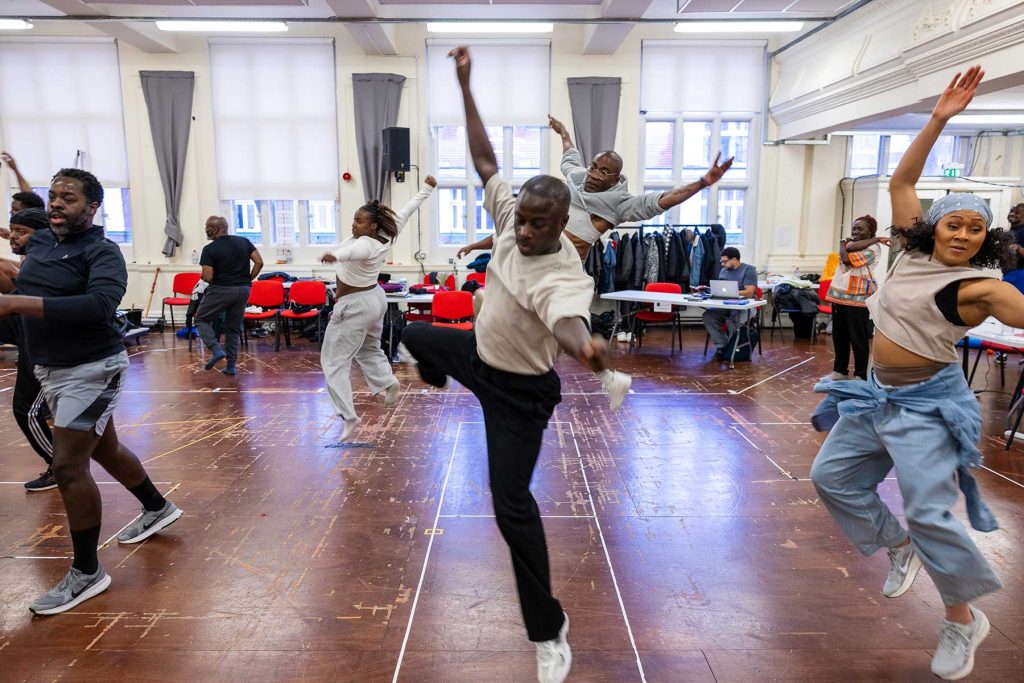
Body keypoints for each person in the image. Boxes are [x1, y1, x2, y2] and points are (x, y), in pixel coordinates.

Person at [403, 47, 624, 683]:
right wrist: (465, 84)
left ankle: (549, 630)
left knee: (510, 505)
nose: (524, 234)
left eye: (538, 226)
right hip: (477, 356)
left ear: (563, 224)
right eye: (522, 221)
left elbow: (565, 318)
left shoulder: (563, 272)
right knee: (416, 333)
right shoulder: (509, 216)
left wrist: (585, 348)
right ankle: (436, 370)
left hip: (519, 394)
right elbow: (483, 159)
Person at [809, 66, 1016, 681]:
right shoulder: (909, 250)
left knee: (929, 511)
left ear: (986, 239)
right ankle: (897, 548)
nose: (962, 233)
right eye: (954, 222)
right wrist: (939, 118)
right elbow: (903, 178)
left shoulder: (982, 287)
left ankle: (961, 621)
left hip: (931, 407)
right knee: (832, 478)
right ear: (936, 226)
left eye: (975, 228)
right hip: (877, 396)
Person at [0, 168, 182, 615]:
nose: (58, 204)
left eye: (70, 198)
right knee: (105, 448)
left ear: (93, 207)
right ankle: (157, 507)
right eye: (54, 196)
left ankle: (86, 572)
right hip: (51, 367)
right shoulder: (42, 242)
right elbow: (27, 280)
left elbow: (99, 306)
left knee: (67, 464)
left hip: (93, 368)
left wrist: (17, 303)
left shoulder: (103, 253)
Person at [456, 116, 733, 262]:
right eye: (594, 167)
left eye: (604, 172)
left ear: (615, 179)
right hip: (528, 252)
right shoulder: (577, 176)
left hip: (562, 263)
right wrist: (563, 131)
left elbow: (663, 200)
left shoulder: (621, 203)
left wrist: (702, 184)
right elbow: (570, 153)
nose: (595, 174)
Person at [319, 177, 437, 442]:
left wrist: (336, 256)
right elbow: (406, 210)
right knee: (368, 348)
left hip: (356, 306)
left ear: (372, 225)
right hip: (374, 299)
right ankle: (387, 382)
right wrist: (426, 190)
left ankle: (348, 416)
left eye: (359, 220)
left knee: (333, 363)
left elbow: (355, 252)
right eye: (354, 218)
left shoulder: (366, 243)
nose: (353, 223)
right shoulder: (384, 235)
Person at [0, 208, 56, 490]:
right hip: (29, 332)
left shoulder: (44, 262)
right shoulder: (34, 259)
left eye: (21, 231)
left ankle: (60, 466)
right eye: (12, 230)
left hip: (45, 342)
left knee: (26, 410)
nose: (13, 236)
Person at [195, 216, 263, 375]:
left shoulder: (210, 249)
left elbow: (207, 276)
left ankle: (216, 349)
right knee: (233, 328)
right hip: (243, 290)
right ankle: (231, 366)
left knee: (201, 319)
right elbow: (259, 262)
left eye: (207, 226)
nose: (206, 229)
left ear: (215, 229)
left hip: (222, 289)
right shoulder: (244, 241)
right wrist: (248, 279)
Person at [825, 215, 889, 380]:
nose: (855, 231)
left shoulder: (874, 249)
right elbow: (851, 247)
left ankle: (860, 375)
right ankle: (840, 371)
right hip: (839, 296)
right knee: (840, 336)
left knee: (858, 338)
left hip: (858, 298)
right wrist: (846, 243)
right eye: (854, 228)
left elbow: (846, 259)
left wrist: (842, 243)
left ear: (870, 232)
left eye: (860, 228)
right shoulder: (852, 245)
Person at [700, 246, 757, 359]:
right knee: (708, 316)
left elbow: (750, 292)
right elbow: (722, 289)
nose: (722, 264)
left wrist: (733, 293)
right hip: (726, 305)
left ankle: (733, 350)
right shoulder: (723, 271)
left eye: (725, 261)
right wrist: (708, 290)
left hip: (744, 306)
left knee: (734, 320)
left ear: (734, 260)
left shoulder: (749, 270)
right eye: (721, 261)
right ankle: (723, 347)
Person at [1, 151, 45, 240]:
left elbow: (29, 196)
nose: (11, 213)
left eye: (16, 210)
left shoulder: (43, 234)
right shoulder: (31, 233)